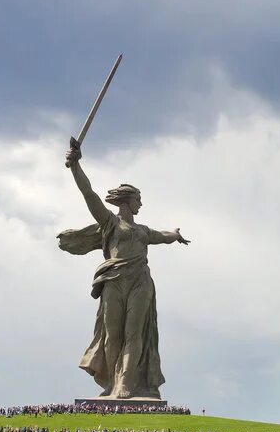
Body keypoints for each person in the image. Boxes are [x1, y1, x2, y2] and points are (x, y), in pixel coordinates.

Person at [60, 143, 190, 399]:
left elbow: (162, 235)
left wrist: (175, 235)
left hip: (140, 283)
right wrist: (76, 165)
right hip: (113, 281)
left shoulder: (142, 231)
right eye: (138, 199)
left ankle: (125, 385)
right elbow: (89, 195)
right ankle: (111, 383)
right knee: (112, 336)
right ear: (127, 200)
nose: (141, 203)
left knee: (134, 334)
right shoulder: (109, 222)